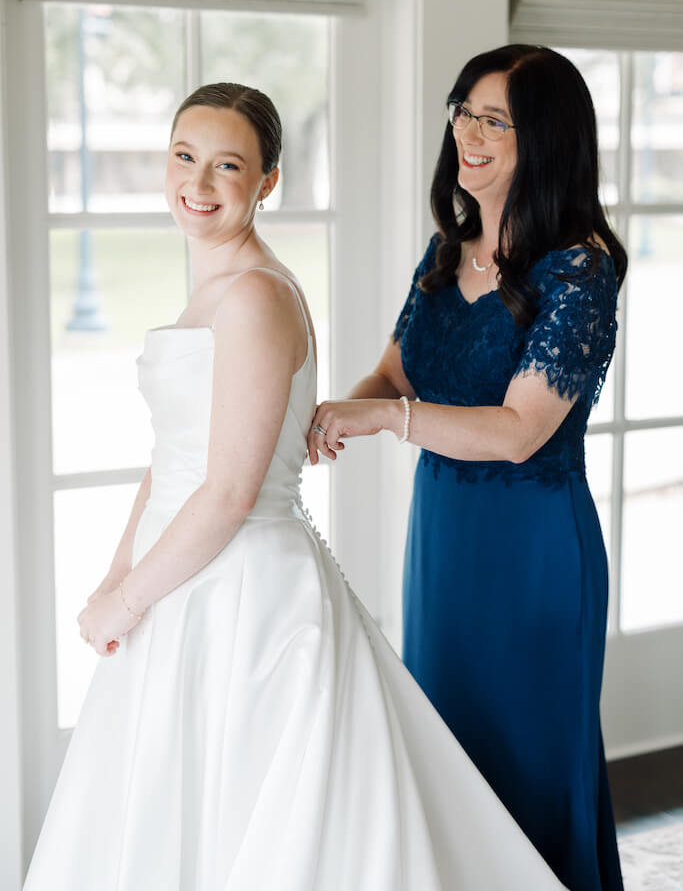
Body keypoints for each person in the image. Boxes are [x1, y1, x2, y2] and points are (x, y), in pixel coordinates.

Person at [23, 82, 566, 890]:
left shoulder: (253, 298)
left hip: (241, 592)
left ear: (267, 181)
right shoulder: (214, 285)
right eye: (183, 157)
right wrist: (117, 576)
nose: (197, 185)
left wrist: (128, 599)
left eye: (226, 166)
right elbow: (172, 456)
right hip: (181, 577)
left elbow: (229, 492)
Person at [307, 45, 626, 891]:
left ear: (547, 141)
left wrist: (384, 417)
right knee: (450, 756)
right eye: (462, 110)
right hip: (443, 540)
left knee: (528, 765)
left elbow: (520, 430)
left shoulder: (581, 269)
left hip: (532, 549)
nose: (466, 132)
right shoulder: (445, 251)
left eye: (493, 119)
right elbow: (394, 375)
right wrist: (329, 414)